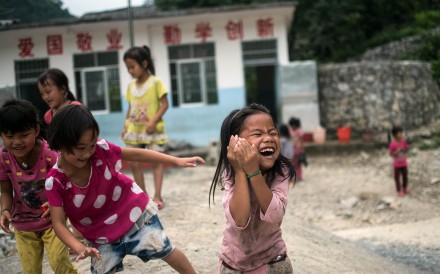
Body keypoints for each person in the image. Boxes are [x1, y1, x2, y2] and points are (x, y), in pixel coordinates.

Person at [45, 104, 204, 274]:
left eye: (91, 145)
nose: (87, 153)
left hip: (134, 214)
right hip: (100, 235)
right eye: (80, 148)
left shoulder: (101, 150)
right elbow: (59, 224)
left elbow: (136, 154)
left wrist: (175, 160)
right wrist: (79, 247)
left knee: (166, 250)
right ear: (60, 143)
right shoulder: (54, 182)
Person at [209, 103, 295, 274]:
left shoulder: (281, 170)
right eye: (257, 134)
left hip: (273, 261)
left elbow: (276, 214)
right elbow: (240, 220)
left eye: (273, 132)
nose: (269, 138)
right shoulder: (232, 171)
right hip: (234, 263)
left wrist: (253, 172)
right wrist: (241, 170)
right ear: (235, 143)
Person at [0, 99, 77, 274]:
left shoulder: (50, 154)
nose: (17, 142)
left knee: (59, 263)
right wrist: (5, 209)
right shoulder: (3, 157)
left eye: (23, 135)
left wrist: (55, 203)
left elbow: (65, 183)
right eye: (10, 136)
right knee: (30, 270)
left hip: (53, 221)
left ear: (36, 130)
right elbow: (5, 189)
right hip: (23, 224)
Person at [38, 68, 84, 241]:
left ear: (63, 87)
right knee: (63, 198)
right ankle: (72, 237)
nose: (46, 97)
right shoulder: (48, 116)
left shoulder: (75, 108)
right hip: (61, 164)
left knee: (79, 197)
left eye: (48, 91)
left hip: (78, 162)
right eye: (42, 94)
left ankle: (81, 234)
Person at [121, 46, 169, 209]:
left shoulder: (156, 82)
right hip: (134, 131)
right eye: (128, 68)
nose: (130, 71)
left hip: (152, 130)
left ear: (144, 63)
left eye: (133, 66)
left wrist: (153, 121)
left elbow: (164, 104)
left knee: (156, 162)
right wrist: (125, 126)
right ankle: (143, 196)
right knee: (133, 162)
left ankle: (157, 196)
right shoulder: (130, 86)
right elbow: (130, 107)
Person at [388, 126, 410, 197]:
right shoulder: (392, 144)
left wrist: (405, 149)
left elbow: (407, 148)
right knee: (397, 178)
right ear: (394, 135)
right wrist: (397, 151)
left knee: (405, 177)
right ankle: (399, 190)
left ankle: (404, 188)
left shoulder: (403, 142)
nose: (401, 134)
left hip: (404, 163)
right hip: (397, 165)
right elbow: (391, 154)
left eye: (401, 133)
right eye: (399, 133)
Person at [288, 117, 306, 181]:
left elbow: (302, 141)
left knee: (298, 164)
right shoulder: (292, 131)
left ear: (294, 125)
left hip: (298, 149)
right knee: (293, 163)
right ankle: (294, 176)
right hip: (292, 149)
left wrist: (301, 150)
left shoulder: (299, 131)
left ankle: (299, 176)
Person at [279, 124, 295, 188]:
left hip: (284, 157)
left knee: (284, 170)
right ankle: (290, 181)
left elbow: (281, 150)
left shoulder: (282, 140)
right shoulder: (289, 139)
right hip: (290, 156)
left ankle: (285, 182)